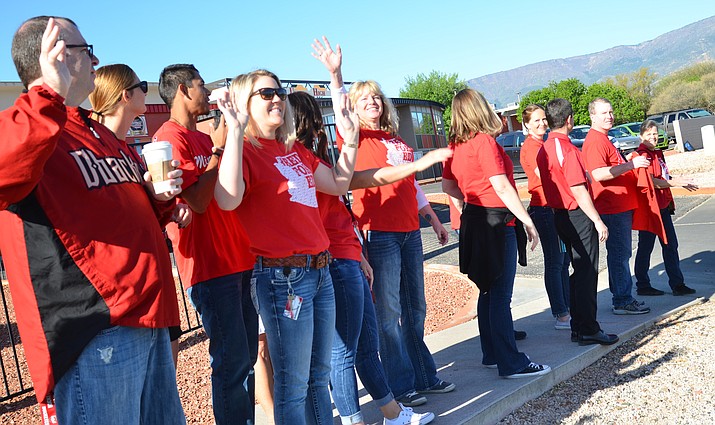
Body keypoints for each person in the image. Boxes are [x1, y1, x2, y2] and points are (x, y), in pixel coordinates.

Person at [0, 16, 185, 424]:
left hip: (147, 316)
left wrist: (158, 200)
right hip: (95, 330)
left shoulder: (94, 132)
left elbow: (125, 209)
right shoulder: (26, 124)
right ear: (58, 55)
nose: (97, 59)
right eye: (87, 50)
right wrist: (49, 93)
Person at [212, 57, 360, 424]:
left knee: (317, 377)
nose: (277, 98)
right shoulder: (245, 151)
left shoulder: (294, 150)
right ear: (246, 101)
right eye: (266, 93)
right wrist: (234, 130)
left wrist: (352, 142)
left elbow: (339, 183)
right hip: (283, 280)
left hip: (320, 271)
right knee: (293, 386)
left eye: (279, 92)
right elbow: (227, 198)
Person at [153, 64, 258, 425]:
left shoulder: (203, 135)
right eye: (200, 84)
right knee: (231, 363)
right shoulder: (168, 139)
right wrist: (216, 149)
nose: (205, 91)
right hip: (209, 268)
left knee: (247, 360)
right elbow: (196, 202)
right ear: (183, 89)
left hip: (240, 260)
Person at [340, 78, 454, 408]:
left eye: (376, 97)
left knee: (415, 307)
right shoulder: (354, 137)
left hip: (410, 230)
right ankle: (400, 385)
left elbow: (412, 183)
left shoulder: (396, 139)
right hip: (380, 231)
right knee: (388, 312)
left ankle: (423, 375)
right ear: (354, 107)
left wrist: (431, 217)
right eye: (364, 99)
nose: (373, 102)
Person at [88, 64, 192, 365]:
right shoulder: (94, 150)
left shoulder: (129, 151)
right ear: (124, 95)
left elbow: (144, 212)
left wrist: (168, 206)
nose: (147, 93)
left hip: (155, 286)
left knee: (164, 388)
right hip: (126, 297)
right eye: (142, 86)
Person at [442, 88, 549, 379]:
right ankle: (511, 362)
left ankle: (492, 353)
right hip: (497, 221)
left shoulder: (455, 145)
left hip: (475, 219)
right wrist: (527, 220)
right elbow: (501, 186)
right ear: (479, 109)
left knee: (488, 291)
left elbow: (448, 188)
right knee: (500, 295)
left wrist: (469, 204)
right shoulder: (483, 142)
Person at [536, 98, 619, 346]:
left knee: (577, 271)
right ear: (569, 120)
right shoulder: (567, 149)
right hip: (576, 215)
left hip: (560, 215)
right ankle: (589, 328)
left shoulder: (544, 148)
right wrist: (597, 220)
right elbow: (578, 189)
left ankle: (578, 327)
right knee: (586, 272)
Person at [582, 98, 651, 315]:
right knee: (620, 254)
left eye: (611, 112)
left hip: (620, 205)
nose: (609, 116)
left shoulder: (604, 138)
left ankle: (622, 296)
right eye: (604, 113)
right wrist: (630, 165)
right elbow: (597, 173)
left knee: (620, 253)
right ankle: (622, 300)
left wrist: (626, 161)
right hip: (612, 206)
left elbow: (610, 166)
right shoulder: (595, 141)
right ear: (592, 116)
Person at [519, 104, 571, 330]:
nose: (541, 124)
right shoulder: (532, 147)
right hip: (544, 208)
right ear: (527, 125)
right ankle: (561, 314)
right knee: (555, 261)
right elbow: (547, 175)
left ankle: (567, 308)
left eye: (543, 119)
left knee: (563, 261)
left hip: (554, 207)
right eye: (536, 121)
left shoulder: (543, 144)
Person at [633, 120, 698, 296]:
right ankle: (643, 285)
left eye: (655, 133)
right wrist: (674, 182)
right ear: (641, 137)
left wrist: (679, 180)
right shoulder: (642, 155)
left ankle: (677, 285)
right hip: (649, 209)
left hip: (662, 206)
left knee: (670, 245)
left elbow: (663, 176)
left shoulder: (657, 153)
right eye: (648, 134)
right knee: (646, 247)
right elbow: (650, 182)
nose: (653, 137)